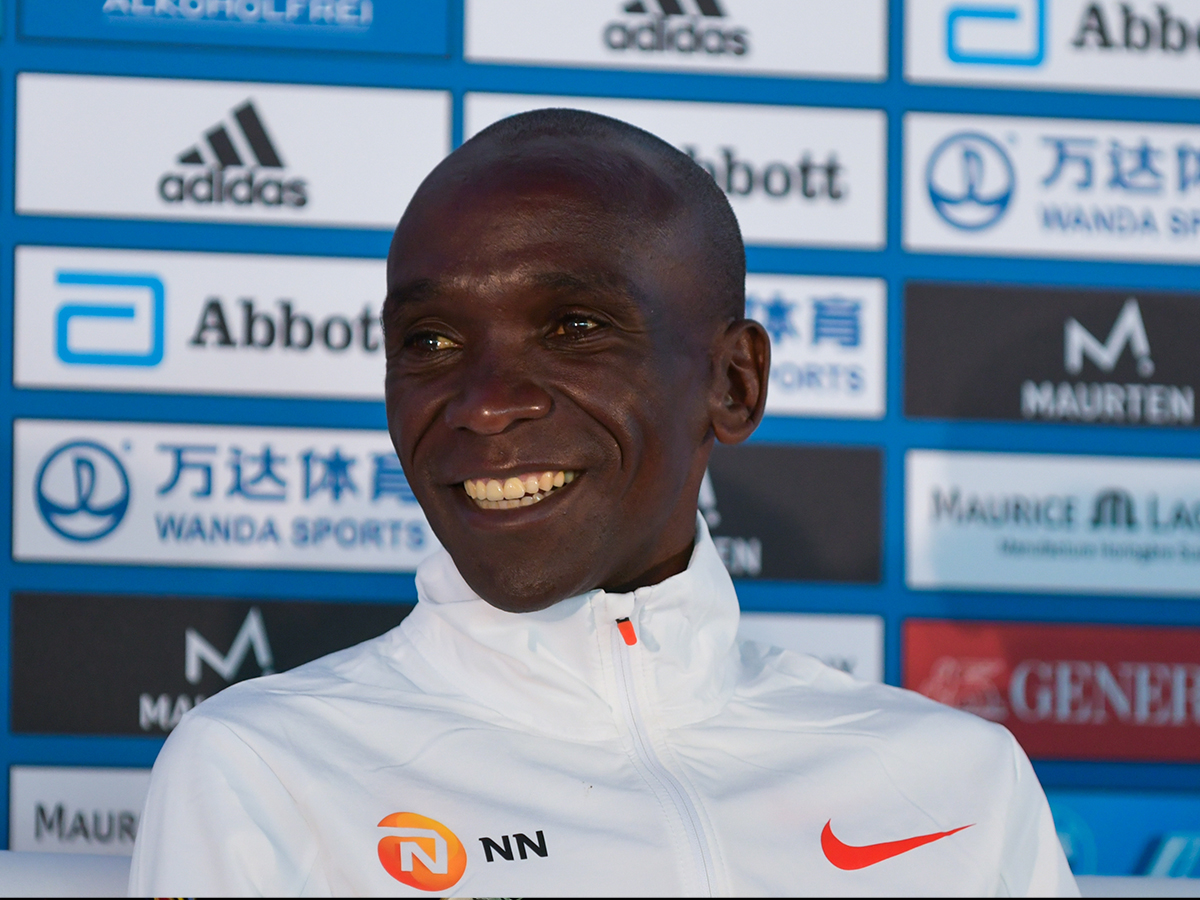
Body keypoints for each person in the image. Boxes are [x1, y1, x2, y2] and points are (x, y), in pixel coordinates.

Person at [129, 109, 1077, 897]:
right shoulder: (264, 772)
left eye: (574, 326)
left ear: (734, 384)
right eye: (429, 341)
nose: (485, 403)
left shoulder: (958, 785)